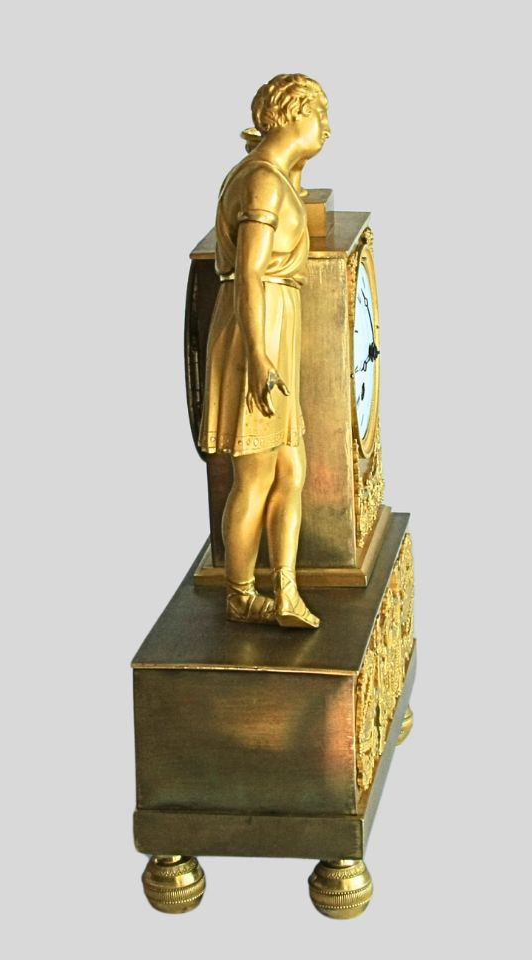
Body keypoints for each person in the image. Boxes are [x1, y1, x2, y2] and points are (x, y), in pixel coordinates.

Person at [198, 74, 330, 629]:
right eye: (320, 114)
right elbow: (250, 273)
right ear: (293, 114)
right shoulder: (261, 184)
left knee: (291, 469)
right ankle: (241, 593)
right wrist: (258, 358)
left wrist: (294, 162)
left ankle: (287, 590)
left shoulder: (273, 177)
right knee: (254, 474)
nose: (327, 128)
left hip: (275, 324)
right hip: (258, 329)